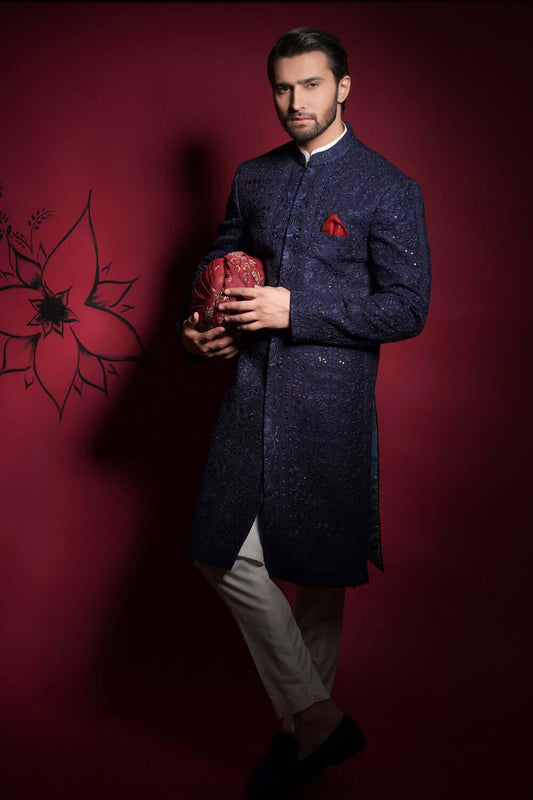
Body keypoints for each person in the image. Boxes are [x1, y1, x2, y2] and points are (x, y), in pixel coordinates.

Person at [179, 27, 431, 798]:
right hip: (251, 390)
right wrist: (202, 325)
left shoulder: (388, 187)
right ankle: (318, 716)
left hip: (331, 406)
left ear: (343, 87)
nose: (295, 101)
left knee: (319, 579)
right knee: (219, 549)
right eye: (283, 87)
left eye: (311, 85)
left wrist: (298, 309)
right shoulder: (253, 177)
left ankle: (299, 742)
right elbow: (221, 256)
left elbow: (407, 308)